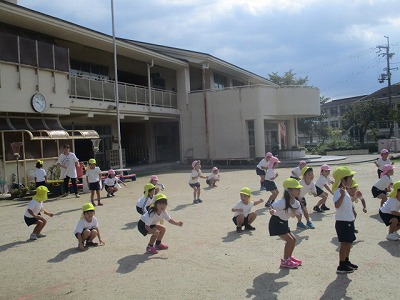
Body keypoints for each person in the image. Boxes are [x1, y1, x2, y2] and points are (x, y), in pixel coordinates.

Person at [269, 178, 303, 269]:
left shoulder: (296, 203)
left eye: (299, 189)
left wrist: (295, 213)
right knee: (290, 240)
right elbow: (272, 207)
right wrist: (272, 211)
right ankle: (285, 261)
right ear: (289, 191)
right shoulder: (282, 202)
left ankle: (289, 257)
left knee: (294, 239)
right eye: (296, 189)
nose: (299, 190)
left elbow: (299, 217)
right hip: (276, 222)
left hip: (284, 222)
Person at [332, 166, 358, 274]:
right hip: (342, 222)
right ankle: (341, 265)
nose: (351, 180)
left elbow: (347, 204)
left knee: (349, 243)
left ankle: (346, 261)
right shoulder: (338, 191)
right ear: (343, 179)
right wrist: (342, 196)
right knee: (344, 244)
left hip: (348, 221)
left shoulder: (345, 191)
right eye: (350, 178)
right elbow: (337, 205)